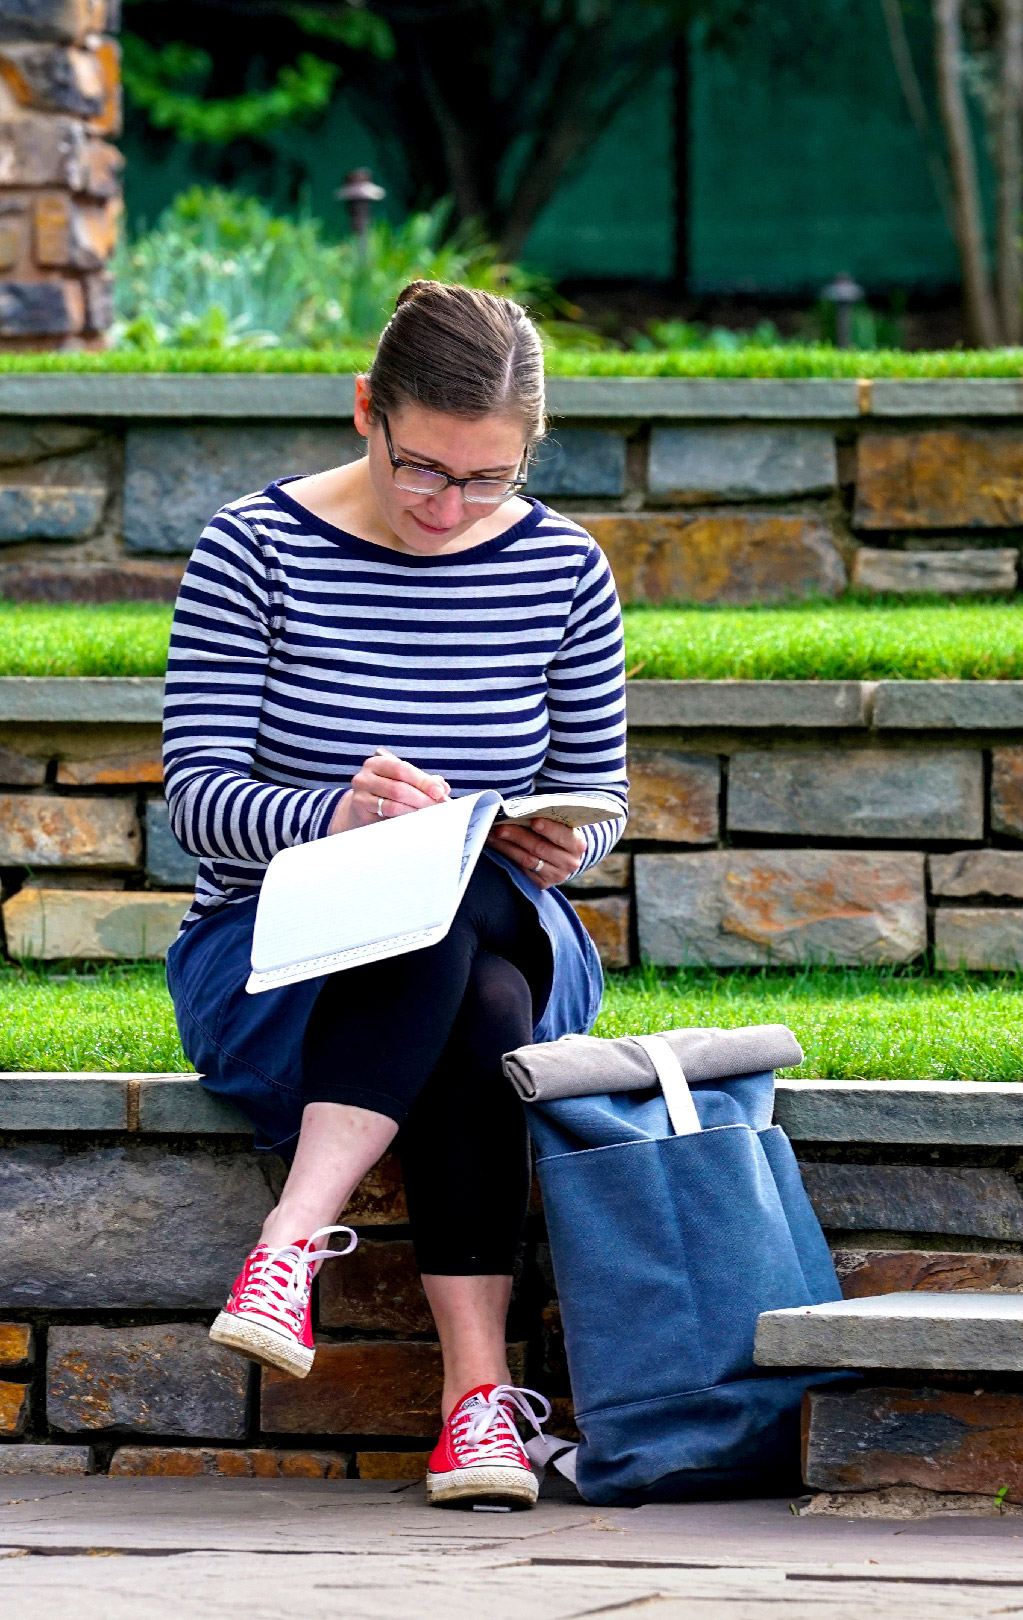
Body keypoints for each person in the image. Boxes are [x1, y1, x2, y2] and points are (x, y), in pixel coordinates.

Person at [160, 280, 626, 1511]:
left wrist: (563, 844)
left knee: (459, 894)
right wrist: (335, 820)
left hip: (520, 937)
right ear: (365, 410)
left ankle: (290, 1245)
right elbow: (195, 801)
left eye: (491, 481)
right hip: (275, 964)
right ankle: (476, 1407)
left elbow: (601, 796)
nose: (450, 508)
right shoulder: (251, 549)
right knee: (451, 958)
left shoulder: (565, 569)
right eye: (424, 469)